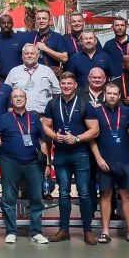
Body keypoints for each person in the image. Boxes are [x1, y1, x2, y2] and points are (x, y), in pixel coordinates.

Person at [42, 73, 99, 244]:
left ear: (75, 85)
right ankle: (63, 230)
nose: (66, 86)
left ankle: (88, 231)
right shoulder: (53, 103)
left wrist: (77, 138)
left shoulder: (84, 104)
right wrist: (54, 136)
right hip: (61, 154)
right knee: (63, 193)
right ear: (60, 85)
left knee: (84, 193)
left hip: (80, 154)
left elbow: (95, 129)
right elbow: (45, 125)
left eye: (69, 83)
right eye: (63, 83)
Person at [0, 87, 50, 245]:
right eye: (15, 97)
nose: (18, 99)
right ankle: (11, 232)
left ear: (26, 99)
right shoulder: (3, 118)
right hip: (10, 162)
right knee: (9, 198)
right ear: (11, 100)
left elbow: (43, 142)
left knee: (36, 198)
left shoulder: (34, 118)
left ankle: (36, 232)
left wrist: (47, 163)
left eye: (21, 96)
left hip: (33, 163)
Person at [88, 82, 129, 244]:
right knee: (105, 195)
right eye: (109, 93)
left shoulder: (128, 112)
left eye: (115, 94)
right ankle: (105, 231)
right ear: (104, 95)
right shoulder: (96, 112)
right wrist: (98, 158)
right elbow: (91, 138)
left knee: (127, 195)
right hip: (105, 161)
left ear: (119, 96)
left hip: (124, 161)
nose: (112, 96)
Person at [4, 43, 59, 113]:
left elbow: (58, 92)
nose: (29, 56)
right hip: (20, 115)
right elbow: (6, 93)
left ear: (38, 55)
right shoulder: (14, 72)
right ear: (22, 56)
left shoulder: (47, 71)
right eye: (26, 54)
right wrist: (10, 108)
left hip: (43, 115)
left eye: (32, 53)